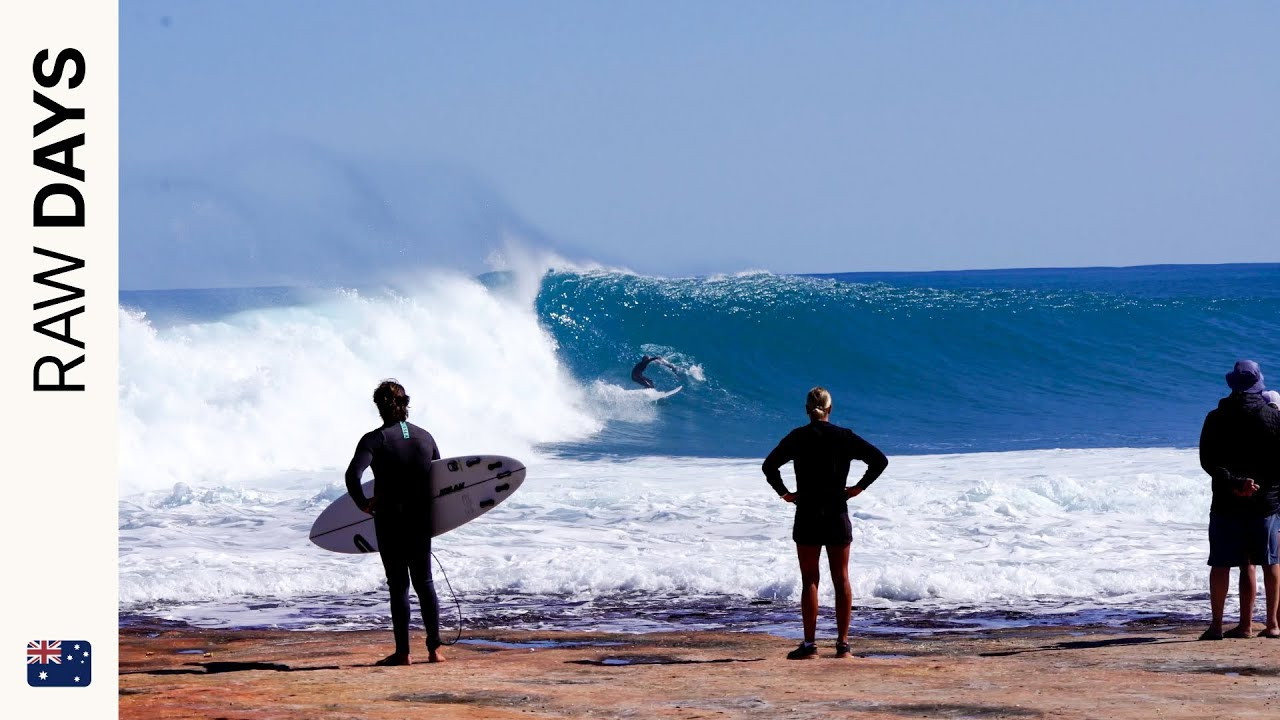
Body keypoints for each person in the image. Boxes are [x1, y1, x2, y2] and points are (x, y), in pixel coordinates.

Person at [762, 387, 888, 659]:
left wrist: (785, 493)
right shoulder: (844, 437)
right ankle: (843, 645)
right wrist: (858, 488)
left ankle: (809, 646)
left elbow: (769, 466)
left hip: (807, 513)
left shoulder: (797, 437)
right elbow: (879, 460)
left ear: (807, 410)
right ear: (830, 409)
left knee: (810, 580)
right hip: (836, 512)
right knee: (841, 578)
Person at [345, 379, 446, 664]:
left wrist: (363, 503)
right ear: (405, 404)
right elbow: (441, 480)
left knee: (399, 585)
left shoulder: (374, 440)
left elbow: (353, 475)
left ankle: (403, 653)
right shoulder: (425, 437)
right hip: (420, 520)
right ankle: (434, 650)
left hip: (390, 520)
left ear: (379, 407)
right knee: (424, 582)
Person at [1198, 360, 1280, 640]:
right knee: (1270, 562)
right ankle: (1272, 624)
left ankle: (1216, 626)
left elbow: (1208, 461)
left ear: (1232, 384)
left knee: (1221, 563)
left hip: (1226, 499)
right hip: (1265, 500)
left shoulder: (1216, 417)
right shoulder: (1273, 417)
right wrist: (1256, 485)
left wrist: (1235, 483)